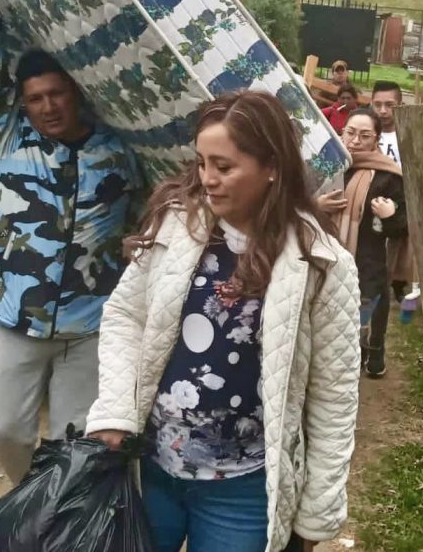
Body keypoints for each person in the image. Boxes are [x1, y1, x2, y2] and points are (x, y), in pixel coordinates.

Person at [85, 91, 361, 552]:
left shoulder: (321, 265)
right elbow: (124, 316)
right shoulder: (176, 229)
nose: (207, 180)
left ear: (271, 166)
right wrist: (115, 409)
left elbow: (334, 397)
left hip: (243, 491)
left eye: (224, 166)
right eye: (201, 163)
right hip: (151, 471)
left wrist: (315, 513)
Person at [0, 0, 143, 483]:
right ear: (24, 103)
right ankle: (27, 496)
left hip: (90, 325)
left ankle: (57, 521)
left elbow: (164, 200)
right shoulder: (6, 138)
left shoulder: (116, 152)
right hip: (19, 319)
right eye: (36, 98)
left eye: (57, 93)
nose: (48, 106)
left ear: (76, 94)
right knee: (6, 430)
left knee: (76, 441)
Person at [318, 109, 407, 378]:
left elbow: (405, 225)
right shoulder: (328, 166)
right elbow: (297, 203)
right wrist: (316, 205)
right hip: (326, 253)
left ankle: (372, 350)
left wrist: (391, 216)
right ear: (342, 131)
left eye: (364, 135)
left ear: (376, 139)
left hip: (367, 259)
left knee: (364, 311)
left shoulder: (387, 175)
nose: (355, 140)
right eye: (350, 132)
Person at [370, 81, 419, 302]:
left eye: (389, 105)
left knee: (401, 243)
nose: (383, 110)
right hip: (373, 197)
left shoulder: (409, 135)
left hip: (401, 197)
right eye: (378, 104)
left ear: (399, 104)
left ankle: (399, 283)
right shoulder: (368, 134)